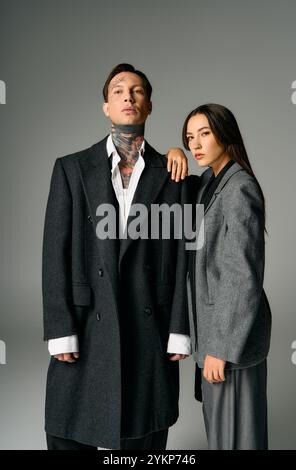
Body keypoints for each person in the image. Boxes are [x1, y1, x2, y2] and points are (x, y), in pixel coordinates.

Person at [42, 63, 190, 450]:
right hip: (86, 316)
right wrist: (60, 329)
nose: (129, 96)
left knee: (144, 429)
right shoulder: (72, 168)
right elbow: (54, 251)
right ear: (106, 106)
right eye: (119, 90)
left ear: (150, 106)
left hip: (149, 318)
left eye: (138, 91)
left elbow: (180, 258)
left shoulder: (171, 173)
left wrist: (179, 328)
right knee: (72, 425)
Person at [168, 103, 272, 450]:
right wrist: (173, 153)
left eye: (204, 134)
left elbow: (243, 275)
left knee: (235, 441)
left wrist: (222, 348)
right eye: (188, 137)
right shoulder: (211, 181)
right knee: (221, 438)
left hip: (231, 346)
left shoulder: (239, 188)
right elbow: (182, 185)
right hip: (214, 340)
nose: (194, 144)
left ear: (225, 135)